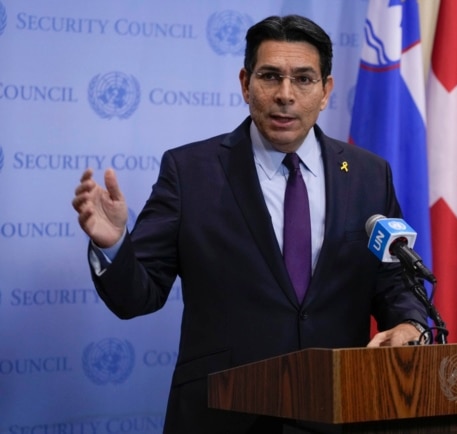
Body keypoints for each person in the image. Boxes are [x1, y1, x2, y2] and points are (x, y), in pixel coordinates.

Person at [72, 14, 430, 434]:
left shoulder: (369, 175)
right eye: (270, 76)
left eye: (303, 79)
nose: (285, 95)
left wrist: (409, 324)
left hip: (337, 410)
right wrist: (115, 245)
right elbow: (139, 296)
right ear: (245, 83)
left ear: (326, 90)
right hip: (223, 415)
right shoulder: (190, 171)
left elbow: (392, 280)